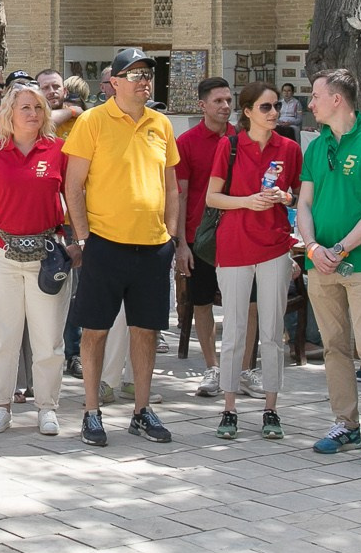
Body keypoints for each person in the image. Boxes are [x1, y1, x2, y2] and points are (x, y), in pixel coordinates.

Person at [63, 47, 182, 447]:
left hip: (152, 247)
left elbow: (171, 186)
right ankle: (92, 412)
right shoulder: (93, 122)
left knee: (145, 331)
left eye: (147, 73)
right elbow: (73, 186)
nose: (143, 80)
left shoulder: (160, 124)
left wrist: (171, 235)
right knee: (94, 331)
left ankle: (142, 411)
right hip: (104, 245)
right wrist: (83, 238)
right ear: (113, 81)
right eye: (133, 74)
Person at [295, 68, 361, 469]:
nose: (310, 103)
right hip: (320, 262)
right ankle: (345, 424)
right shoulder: (316, 146)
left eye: (316, 96)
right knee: (333, 347)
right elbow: (304, 203)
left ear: (337, 99)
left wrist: (339, 248)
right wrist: (312, 246)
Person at [0, 82, 71, 435]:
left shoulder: (59, 151)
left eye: (39, 108)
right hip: (1, 252)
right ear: (9, 113)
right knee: (2, 335)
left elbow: (74, 199)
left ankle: (47, 406)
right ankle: (0, 405)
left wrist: (78, 242)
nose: (33, 114)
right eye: (25, 107)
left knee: (48, 337)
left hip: (47, 255)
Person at [206, 83, 303, 441]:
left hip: (275, 246)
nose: (274, 113)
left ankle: (271, 408)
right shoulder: (228, 146)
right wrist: (247, 201)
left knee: (272, 331)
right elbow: (213, 197)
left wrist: (283, 195)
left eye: (276, 106)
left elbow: (296, 196)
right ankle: (229, 408)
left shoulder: (290, 148)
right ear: (247, 112)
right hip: (233, 247)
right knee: (233, 330)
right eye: (265, 107)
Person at [173, 78, 235, 395]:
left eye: (229, 100)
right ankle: (212, 367)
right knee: (201, 302)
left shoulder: (244, 138)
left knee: (245, 304)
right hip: (201, 237)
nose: (225, 106)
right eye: (218, 101)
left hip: (239, 235)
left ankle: (241, 369)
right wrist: (182, 243)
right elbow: (180, 196)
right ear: (202, 105)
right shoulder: (186, 142)